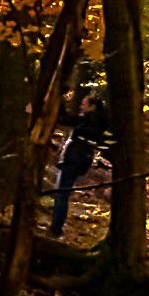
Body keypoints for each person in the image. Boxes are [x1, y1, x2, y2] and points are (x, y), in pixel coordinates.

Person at [52, 89, 114, 233]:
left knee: (61, 193)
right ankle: (56, 226)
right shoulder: (96, 121)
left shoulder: (87, 120)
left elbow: (65, 119)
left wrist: (59, 98)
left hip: (74, 158)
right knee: (62, 192)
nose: (81, 106)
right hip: (81, 159)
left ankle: (56, 228)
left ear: (92, 107)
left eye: (84, 104)